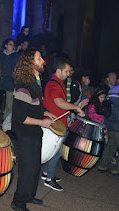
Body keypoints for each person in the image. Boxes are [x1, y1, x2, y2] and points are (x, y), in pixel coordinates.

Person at [11, 49, 56, 211]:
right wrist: (42, 122)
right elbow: (20, 117)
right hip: (25, 133)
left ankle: (29, 195)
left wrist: (44, 113)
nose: (42, 60)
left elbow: (34, 107)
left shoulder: (35, 81)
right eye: (38, 58)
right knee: (27, 169)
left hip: (34, 132)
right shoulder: (23, 87)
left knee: (35, 167)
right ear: (30, 63)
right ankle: (18, 201)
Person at [42, 58, 86, 191]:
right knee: (56, 152)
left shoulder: (59, 82)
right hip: (54, 124)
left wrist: (77, 106)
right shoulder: (54, 84)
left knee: (54, 151)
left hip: (58, 123)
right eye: (66, 71)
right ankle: (49, 179)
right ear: (58, 70)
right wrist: (75, 108)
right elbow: (59, 102)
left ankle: (46, 173)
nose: (69, 73)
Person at [0, 39, 19, 120]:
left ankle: (7, 120)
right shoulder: (1, 55)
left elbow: (16, 67)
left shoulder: (15, 56)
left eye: (13, 45)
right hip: (0, 80)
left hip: (10, 81)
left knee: (9, 103)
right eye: (10, 44)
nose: (12, 47)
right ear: (6, 45)